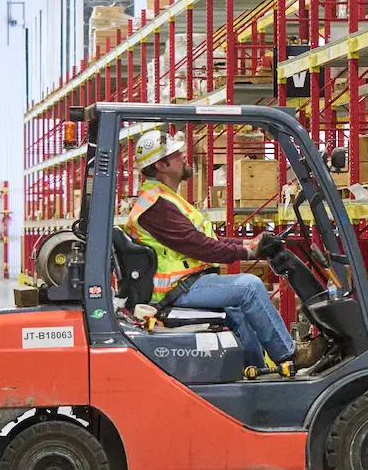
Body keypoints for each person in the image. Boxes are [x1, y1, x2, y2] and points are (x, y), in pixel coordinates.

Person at [124, 130, 297, 378]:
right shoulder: (157, 207)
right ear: (161, 165)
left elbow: (208, 240)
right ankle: (289, 357)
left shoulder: (166, 199)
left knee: (237, 310)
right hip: (174, 290)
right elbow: (200, 246)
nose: (184, 156)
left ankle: (255, 372)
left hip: (186, 283)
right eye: (176, 154)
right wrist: (247, 253)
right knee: (249, 287)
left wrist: (249, 244)